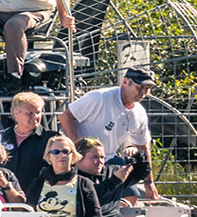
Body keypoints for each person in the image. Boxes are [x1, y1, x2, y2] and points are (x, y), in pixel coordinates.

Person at [60, 67, 162, 200]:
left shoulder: (139, 113)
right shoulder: (100, 98)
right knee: (88, 197)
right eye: (139, 87)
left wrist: (149, 183)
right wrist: (78, 150)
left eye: (147, 88)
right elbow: (66, 117)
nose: (143, 92)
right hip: (83, 160)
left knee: (131, 195)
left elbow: (142, 147)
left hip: (109, 159)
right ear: (125, 82)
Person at [27, 135, 104, 217]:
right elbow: (28, 215)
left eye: (66, 151)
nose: (61, 155)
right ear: (49, 157)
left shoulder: (83, 183)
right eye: (55, 152)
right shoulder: (37, 184)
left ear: (73, 155)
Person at [0, 91, 57, 200]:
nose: (35, 117)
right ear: (16, 113)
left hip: (38, 200)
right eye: (29, 113)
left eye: (38, 112)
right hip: (5, 201)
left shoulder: (51, 139)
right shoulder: (0, 137)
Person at [76, 138, 146, 210]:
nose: (100, 161)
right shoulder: (70, 177)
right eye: (95, 157)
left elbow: (141, 173)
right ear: (79, 158)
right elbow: (91, 195)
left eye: (102, 157)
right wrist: (115, 180)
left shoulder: (111, 171)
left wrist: (138, 154)